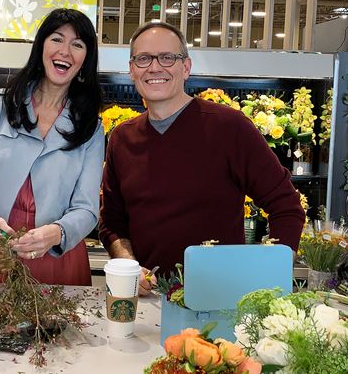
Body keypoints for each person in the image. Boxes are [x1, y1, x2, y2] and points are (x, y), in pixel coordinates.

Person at [99, 21, 306, 295]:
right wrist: (128, 265)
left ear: (186, 67)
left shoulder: (229, 127)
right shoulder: (122, 139)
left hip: (219, 300)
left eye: (167, 57)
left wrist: (268, 276)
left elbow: (286, 206)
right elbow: (112, 221)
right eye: (143, 59)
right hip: (147, 302)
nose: (155, 67)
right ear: (132, 70)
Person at [0, 8, 104, 285]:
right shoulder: (0, 105)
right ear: (41, 46)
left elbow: (87, 208)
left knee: (58, 328)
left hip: (57, 255)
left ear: (86, 59)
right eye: (57, 39)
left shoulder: (90, 126)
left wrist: (57, 233)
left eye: (77, 44)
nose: (65, 51)